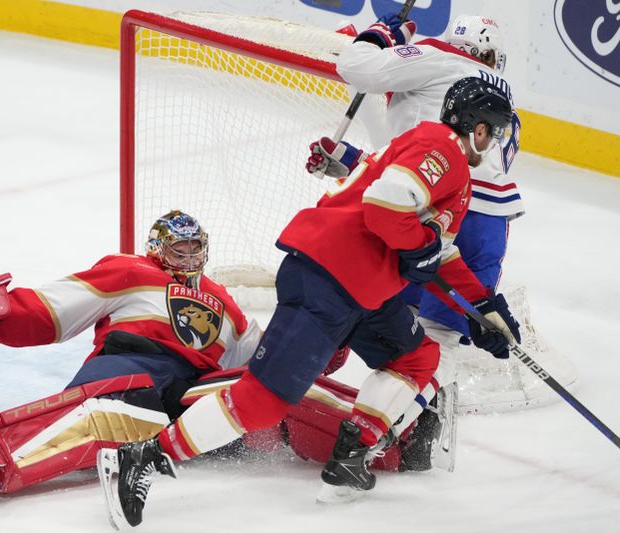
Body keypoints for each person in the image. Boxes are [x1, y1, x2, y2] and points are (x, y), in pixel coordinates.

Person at [98, 76, 521, 529]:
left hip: (364, 290)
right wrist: (418, 247)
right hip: (330, 278)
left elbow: (436, 252)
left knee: (416, 357)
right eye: (493, 132)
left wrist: (482, 307)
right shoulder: (443, 148)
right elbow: (386, 207)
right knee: (262, 402)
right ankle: (143, 455)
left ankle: (349, 459)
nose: (494, 143)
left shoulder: (448, 172)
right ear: (478, 129)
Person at [0, 210, 263, 498]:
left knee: (246, 399)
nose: (187, 258)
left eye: (194, 249)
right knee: (101, 413)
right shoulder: (133, 270)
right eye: (177, 250)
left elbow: (255, 357)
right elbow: (53, 308)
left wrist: (310, 351)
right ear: (157, 249)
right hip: (130, 367)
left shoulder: (224, 300)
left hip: (187, 388)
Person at [306, 13, 524, 471]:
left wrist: (386, 32)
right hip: (486, 223)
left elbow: (357, 65)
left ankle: (321, 361)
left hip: (430, 205)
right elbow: (420, 151)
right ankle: (413, 428)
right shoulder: (500, 101)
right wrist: (353, 161)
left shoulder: (441, 60)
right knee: (439, 337)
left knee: (381, 306)